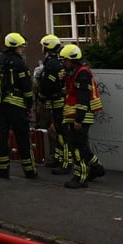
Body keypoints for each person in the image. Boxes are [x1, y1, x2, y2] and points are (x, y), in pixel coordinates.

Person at [59, 44, 105, 188]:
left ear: (72, 60)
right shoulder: (76, 72)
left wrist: (78, 119)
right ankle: (96, 168)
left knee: (77, 147)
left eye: (65, 60)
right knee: (81, 145)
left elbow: (83, 98)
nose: (64, 62)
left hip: (80, 117)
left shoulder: (82, 74)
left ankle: (80, 178)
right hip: (76, 115)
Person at [0, 32, 37, 180]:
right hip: (17, 106)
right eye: (21, 47)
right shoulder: (20, 64)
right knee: (23, 138)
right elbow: (27, 87)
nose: (22, 49)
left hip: (1, 104)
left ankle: (2, 170)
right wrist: (29, 105)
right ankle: (30, 171)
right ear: (15, 47)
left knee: (1, 137)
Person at [37, 34, 70, 174]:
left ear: (47, 47)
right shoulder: (60, 60)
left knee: (61, 132)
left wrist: (41, 96)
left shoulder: (51, 63)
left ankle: (66, 163)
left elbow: (47, 84)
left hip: (56, 102)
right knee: (57, 131)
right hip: (60, 100)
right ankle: (58, 159)